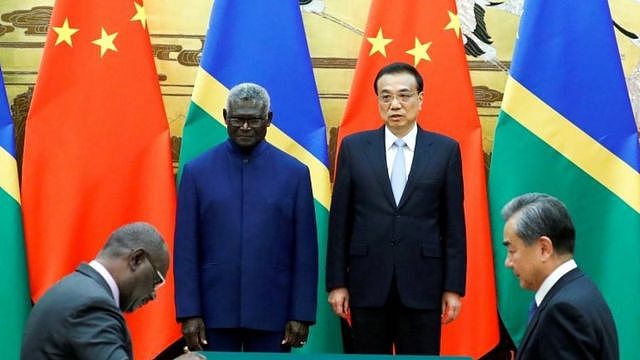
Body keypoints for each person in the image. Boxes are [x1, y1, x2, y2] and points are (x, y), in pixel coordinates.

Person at [326, 62, 466, 354]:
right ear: (377, 101)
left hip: (422, 285)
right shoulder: (354, 148)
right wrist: (337, 283)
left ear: (420, 99)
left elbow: (453, 227)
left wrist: (453, 288)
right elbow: (340, 222)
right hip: (367, 284)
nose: (395, 105)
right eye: (386, 96)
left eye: (404, 95)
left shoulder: (445, 150)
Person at [174, 83, 318, 352]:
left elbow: (305, 251)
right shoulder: (197, 172)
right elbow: (186, 249)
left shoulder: (295, 174)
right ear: (225, 117)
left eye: (254, 120)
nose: (245, 127)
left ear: (269, 120)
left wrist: (301, 314)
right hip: (213, 313)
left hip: (273, 312)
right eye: (238, 119)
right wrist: (189, 312)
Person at [20, 222, 204, 360]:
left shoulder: (75, 288)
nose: (153, 295)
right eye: (157, 281)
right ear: (137, 259)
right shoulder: (90, 305)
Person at [501, 193, 619, 360]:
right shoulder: (582, 291)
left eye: (512, 251)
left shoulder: (563, 312)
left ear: (544, 248)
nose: (508, 262)